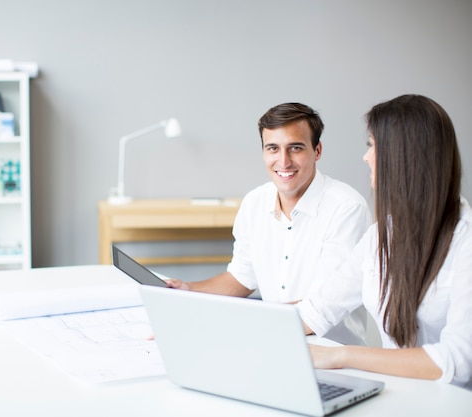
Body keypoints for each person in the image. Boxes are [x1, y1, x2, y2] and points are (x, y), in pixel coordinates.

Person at [298, 94, 472, 389]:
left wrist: (343, 355)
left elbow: (457, 361)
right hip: (399, 397)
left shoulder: (465, 241)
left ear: (403, 155)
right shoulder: (381, 236)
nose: (366, 156)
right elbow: (317, 311)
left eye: (371, 145)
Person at [167, 102, 373, 345]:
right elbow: (241, 278)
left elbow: (321, 307)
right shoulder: (255, 202)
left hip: (333, 353)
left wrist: (235, 325)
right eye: (273, 148)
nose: (283, 161)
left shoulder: (346, 208)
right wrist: (188, 290)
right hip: (272, 340)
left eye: (295, 148)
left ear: (317, 151)